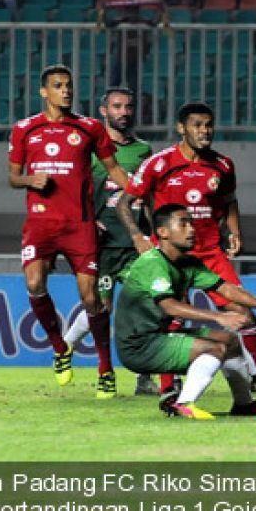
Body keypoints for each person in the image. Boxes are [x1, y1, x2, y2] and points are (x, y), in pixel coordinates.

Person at [118, 103, 256, 411]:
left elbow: (229, 201)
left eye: (208, 125)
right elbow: (124, 202)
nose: (205, 131)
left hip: (210, 251)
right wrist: (138, 237)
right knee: (168, 318)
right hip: (173, 256)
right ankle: (169, 389)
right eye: (197, 125)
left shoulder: (223, 165)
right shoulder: (159, 163)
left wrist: (235, 231)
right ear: (182, 129)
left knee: (245, 315)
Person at [7, 64, 129, 397]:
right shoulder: (24, 129)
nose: (66, 91)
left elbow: (113, 168)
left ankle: (105, 368)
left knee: (91, 298)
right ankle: (61, 348)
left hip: (80, 225)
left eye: (69, 85)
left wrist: (140, 191)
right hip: (41, 223)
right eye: (58, 86)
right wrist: (30, 180)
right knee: (34, 283)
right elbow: (13, 177)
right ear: (44, 92)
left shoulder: (89, 128)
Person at [115, 204, 256, 420]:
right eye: (183, 223)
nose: (192, 229)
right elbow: (169, 306)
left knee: (230, 341)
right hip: (139, 345)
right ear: (162, 232)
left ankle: (245, 405)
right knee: (215, 349)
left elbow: (225, 288)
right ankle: (183, 404)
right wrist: (218, 316)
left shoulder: (188, 263)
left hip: (159, 336)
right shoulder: (152, 263)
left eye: (191, 223)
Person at [60, 87, 154, 397]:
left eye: (128, 106)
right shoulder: (88, 149)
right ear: (104, 111)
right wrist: (85, 219)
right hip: (99, 245)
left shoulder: (143, 150)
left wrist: (151, 234)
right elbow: (71, 187)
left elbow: (149, 196)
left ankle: (145, 379)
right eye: (117, 106)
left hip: (133, 244)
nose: (123, 112)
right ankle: (66, 345)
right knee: (100, 308)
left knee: (148, 305)